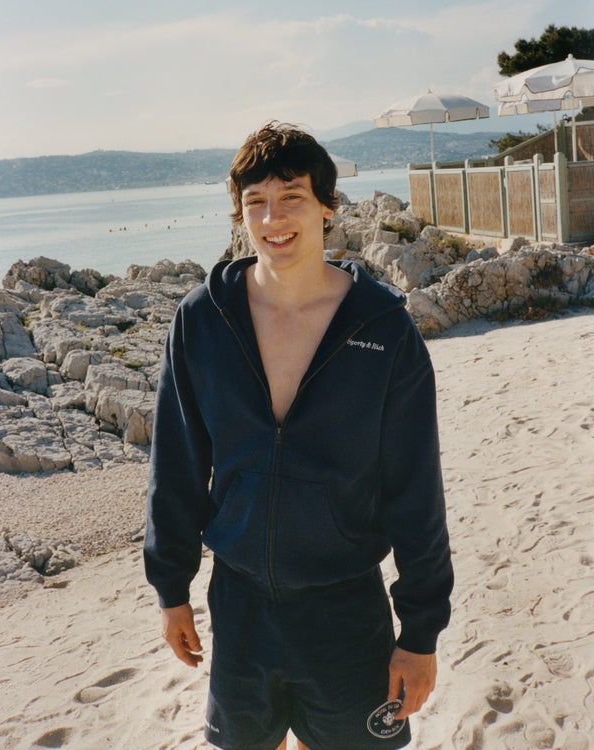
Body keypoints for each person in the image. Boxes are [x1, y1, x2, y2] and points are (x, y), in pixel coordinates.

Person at [144, 121, 453, 750]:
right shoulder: (203, 320)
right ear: (239, 214)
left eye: (291, 197)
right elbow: (176, 464)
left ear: (326, 207)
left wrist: (420, 633)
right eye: (254, 201)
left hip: (346, 611)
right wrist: (170, 588)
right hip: (239, 605)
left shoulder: (385, 331)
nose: (272, 217)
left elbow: (416, 490)